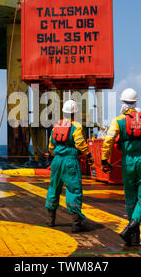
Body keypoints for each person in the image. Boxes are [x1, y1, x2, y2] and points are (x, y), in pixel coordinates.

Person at [101, 89, 141, 246]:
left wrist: (104, 159)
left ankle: (133, 235)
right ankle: (131, 229)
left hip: (128, 163)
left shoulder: (118, 121)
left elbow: (108, 141)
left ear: (122, 103)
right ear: (136, 102)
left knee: (130, 198)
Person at [45, 100, 94, 233]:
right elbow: (80, 143)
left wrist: (56, 154)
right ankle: (76, 223)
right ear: (74, 114)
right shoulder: (76, 127)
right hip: (70, 161)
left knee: (53, 188)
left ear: (64, 112)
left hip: (56, 161)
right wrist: (88, 155)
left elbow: (51, 146)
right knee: (73, 189)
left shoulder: (56, 127)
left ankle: (51, 220)